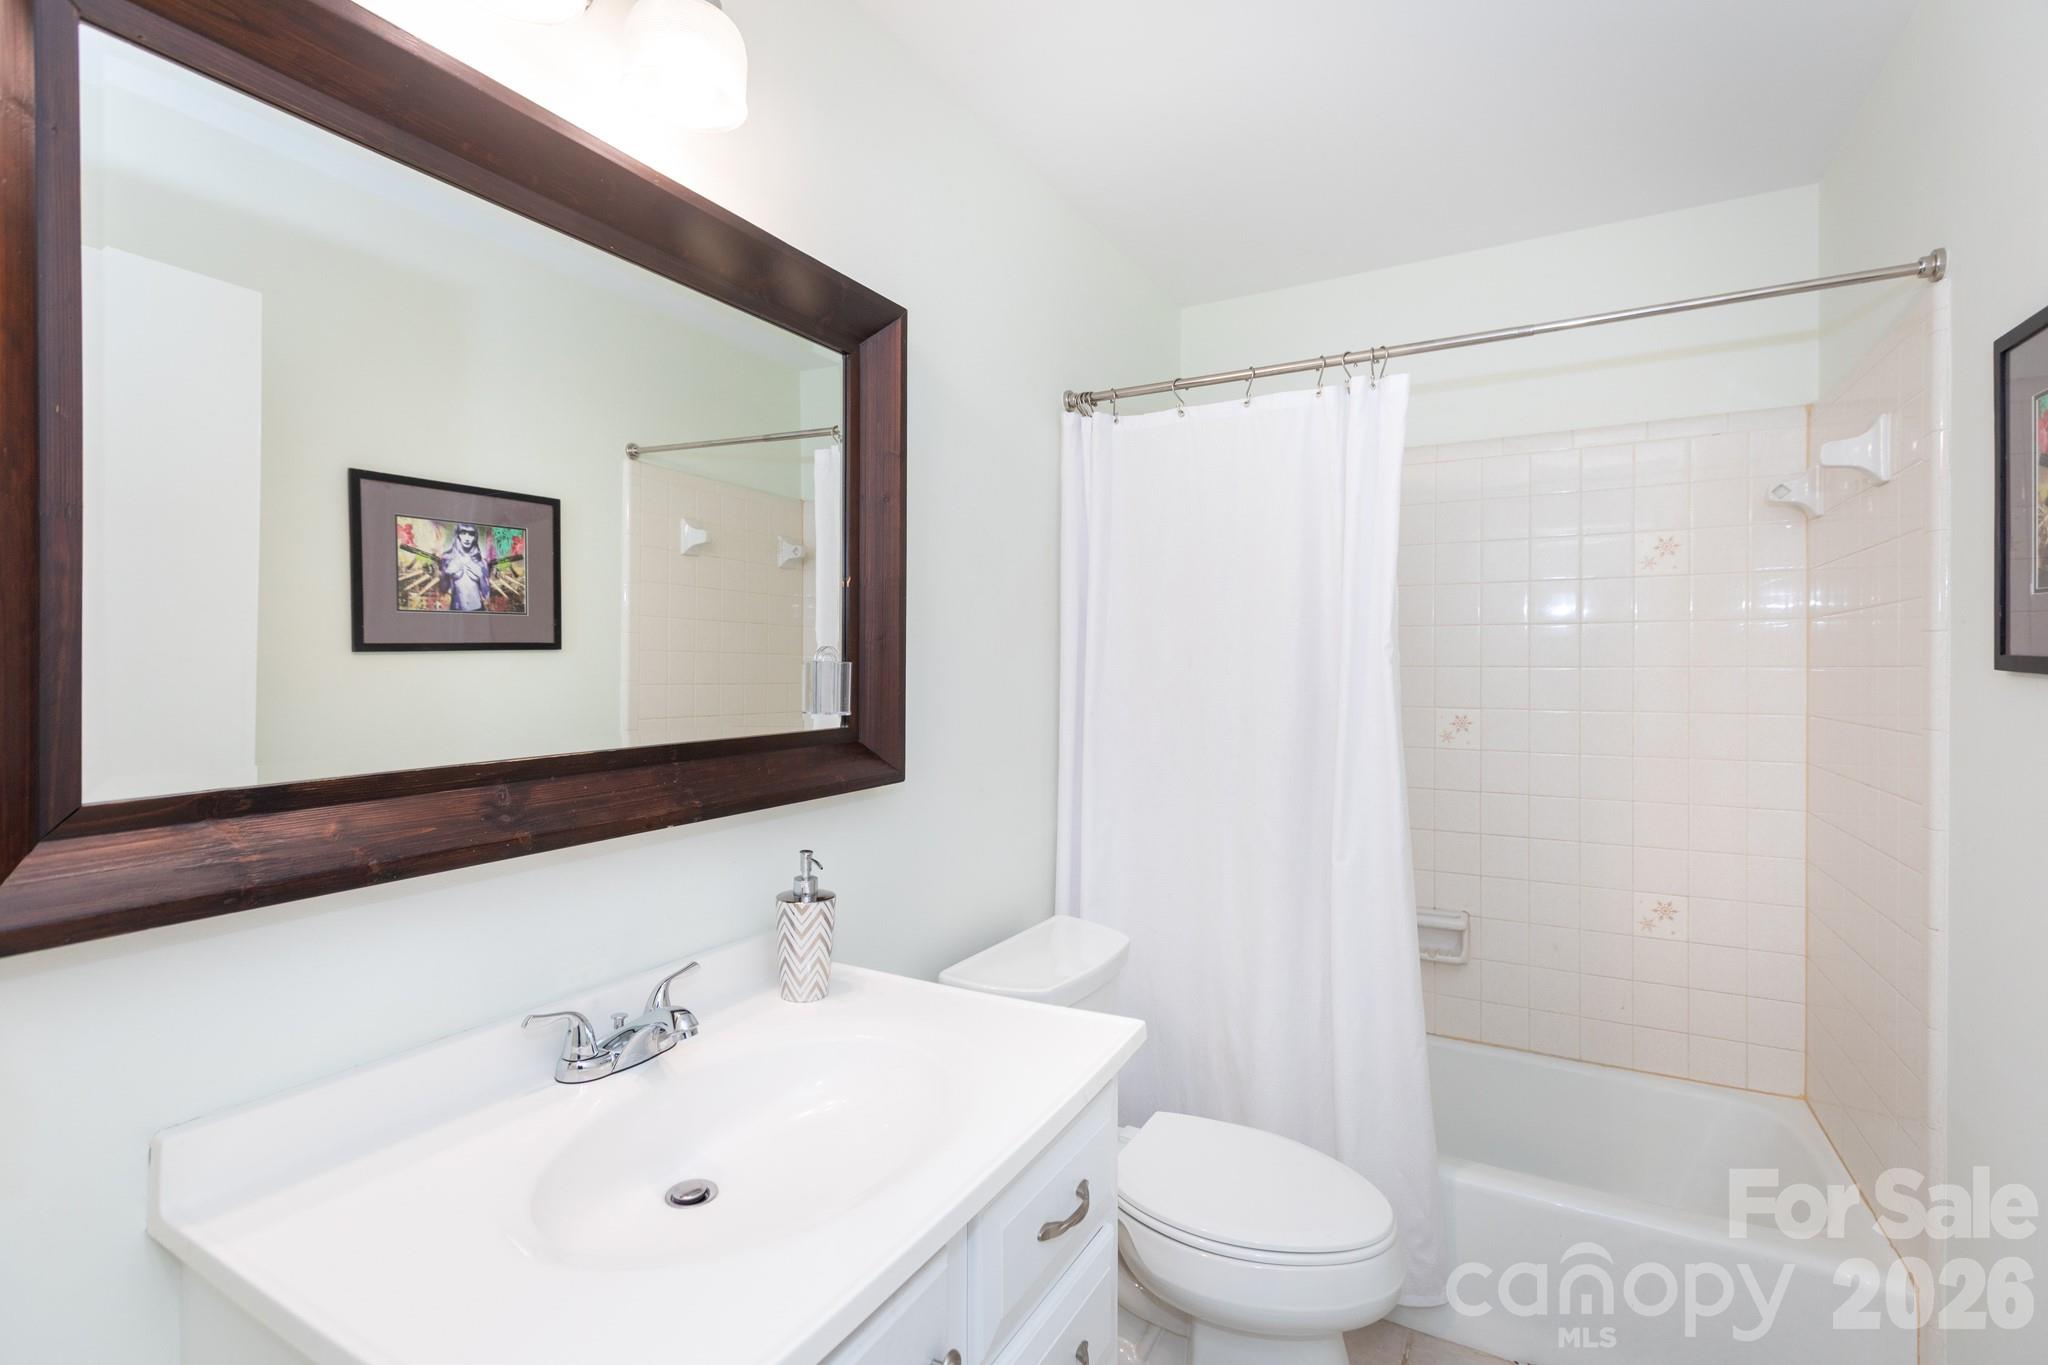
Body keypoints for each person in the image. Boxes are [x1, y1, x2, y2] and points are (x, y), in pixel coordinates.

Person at [439, 522, 491, 612]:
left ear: (475, 537)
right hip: (456, 610)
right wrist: (446, 574)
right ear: (458, 534)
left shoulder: (481, 562)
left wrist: (481, 576)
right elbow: (442, 590)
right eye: (463, 533)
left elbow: (487, 594)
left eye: (471, 534)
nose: (467, 538)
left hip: (478, 610)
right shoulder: (447, 558)